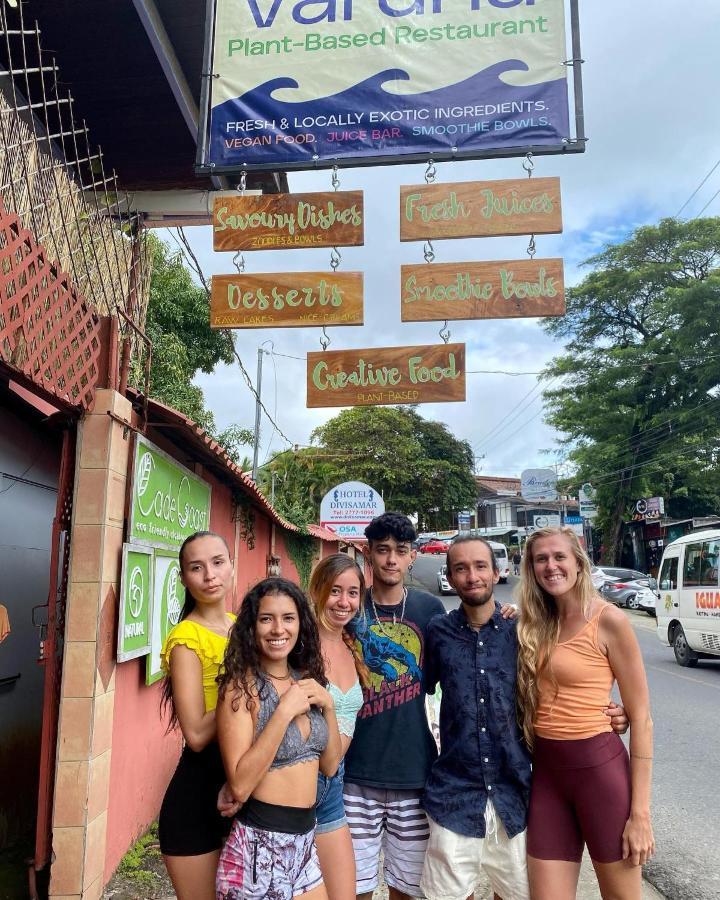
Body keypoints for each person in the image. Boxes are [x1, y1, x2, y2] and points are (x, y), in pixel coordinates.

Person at [420, 534, 628, 900]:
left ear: (497, 572)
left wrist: (610, 712)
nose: (472, 576)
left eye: (481, 566)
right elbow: (414, 693)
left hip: (514, 791)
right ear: (450, 578)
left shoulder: (523, 630)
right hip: (454, 791)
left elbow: (560, 681)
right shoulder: (438, 633)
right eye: (461, 569)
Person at [517, 527, 654, 900]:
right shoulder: (531, 623)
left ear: (579, 563)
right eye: (540, 559)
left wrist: (640, 814)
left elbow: (640, 717)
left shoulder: (609, 620)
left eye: (559, 556)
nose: (550, 566)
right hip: (547, 778)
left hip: (600, 776)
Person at [215, 576, 342, 900]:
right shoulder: (241, 689)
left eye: (288, 618)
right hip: (258, 845)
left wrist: (328, 707)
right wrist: (283, 712)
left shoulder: (307, 682)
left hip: (304, 842)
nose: (278, 629)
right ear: (251, 626)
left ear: (301, 624)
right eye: (266, 619)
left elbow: (329, 767)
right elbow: (240, 784)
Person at [342, 512, 446, 900]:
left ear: (412, 556)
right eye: (382, 550)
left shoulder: (429, 610)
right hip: (354, 773)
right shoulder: (348, 607)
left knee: (409, 889)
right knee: (354, 888)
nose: (390, 560)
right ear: (367, 553)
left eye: (400, 551)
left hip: (414, 774)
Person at [158, 531, 238, 900]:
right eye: (197, 567)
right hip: (197, 797)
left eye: (218, 562)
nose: (210, 575)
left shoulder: (243, 626)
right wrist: (239, 677)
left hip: (244, 786)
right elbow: (196, 734)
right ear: (184, 578)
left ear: (232, 567)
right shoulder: (186, 638)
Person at [309, 554, 370, 900]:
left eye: (352, 593)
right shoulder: (298, 645)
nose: (344, 602)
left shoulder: (351, 644)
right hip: (299, 782)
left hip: (334, 787)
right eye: (335, 591)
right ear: (318, 590)